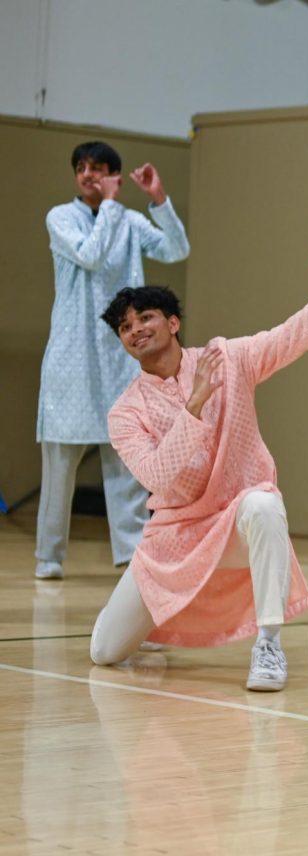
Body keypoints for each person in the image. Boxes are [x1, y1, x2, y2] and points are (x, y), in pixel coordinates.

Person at [89, 245, 308, 691]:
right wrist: (194, 405)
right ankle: (154, 626)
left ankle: (268, 646)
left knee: (265, 505)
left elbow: (287, 337)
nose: (135, 330)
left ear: (173, 323)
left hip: (234, 525)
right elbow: (157, 477)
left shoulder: (228, 358)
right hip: (174, 541)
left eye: (145, 318)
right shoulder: (125, 412)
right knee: (104, 652)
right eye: (125, 327)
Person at [35, 141, 190, 580]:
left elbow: (175, 249)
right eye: (81, 167)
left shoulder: (126, 218)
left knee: (125, 459)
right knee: (61, 464)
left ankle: (130, 552)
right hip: (72, 355)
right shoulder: (60, 217)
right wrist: (110, 207)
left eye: (98, 168)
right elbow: (90, 254)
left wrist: (159, 200)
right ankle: (50, 556)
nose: (88, 174)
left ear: (114, 175)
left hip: (118, 353)